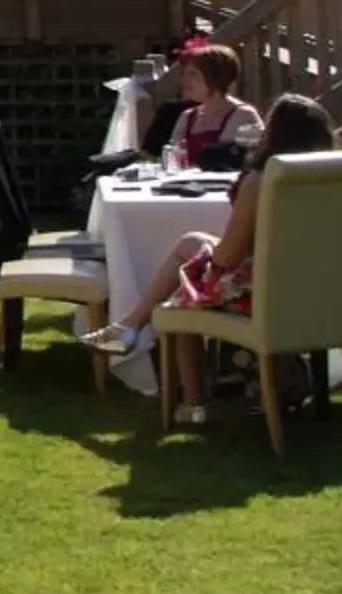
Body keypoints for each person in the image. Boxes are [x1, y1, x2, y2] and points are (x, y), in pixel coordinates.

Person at [86, 93, 337, 422]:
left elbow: (228, 257)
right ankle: (129, 328)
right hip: (325, 292)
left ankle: (191, 402)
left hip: (267, 296)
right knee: (191, 246)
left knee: (180, 294)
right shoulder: (331, 178)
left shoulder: (263, 181)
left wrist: (207, 254)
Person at [162, 43, 262, 170]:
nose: (184, 81)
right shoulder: (187, 117)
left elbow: (235, 162)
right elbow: (172, 162)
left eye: (193, 74)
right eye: (185, 74)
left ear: (215, 77)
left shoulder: (243, 115)